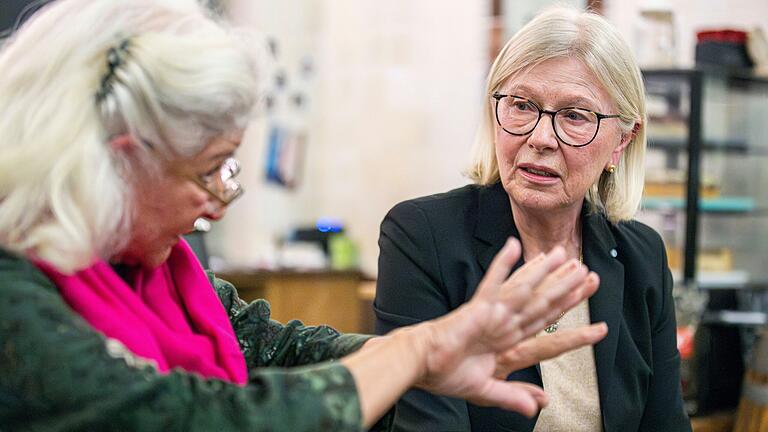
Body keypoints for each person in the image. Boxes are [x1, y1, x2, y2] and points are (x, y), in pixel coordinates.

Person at [0, 1, 610, 430]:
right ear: (117, 164)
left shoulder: (153, 273)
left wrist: (433, 356)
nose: (219, 200)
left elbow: (272, 346)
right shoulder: (16, 302)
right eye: (209, 168)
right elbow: (193, 417)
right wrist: (416, 353)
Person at [374, 6, 692, 432]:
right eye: (522, 105)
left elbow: (666, 423)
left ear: (621, 142)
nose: (541, 138)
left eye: (576, 116)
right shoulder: (422, 237)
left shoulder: (642, 256)